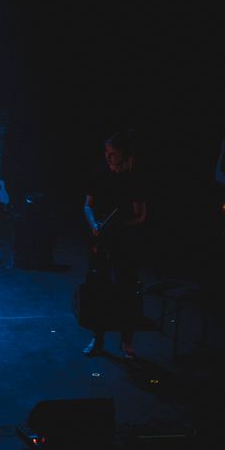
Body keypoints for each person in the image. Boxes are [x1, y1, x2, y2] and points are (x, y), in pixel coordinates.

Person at [82, 130, 147, 359]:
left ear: (124, 154)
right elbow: (87, 206)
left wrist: (118, 225)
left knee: (126, 290)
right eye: (106, 153)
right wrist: (94, 224)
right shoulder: (99, 175)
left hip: (125, 243)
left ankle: (127, 342)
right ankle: (97, 338)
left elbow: (140, 215)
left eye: (112, 153)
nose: (108, 157)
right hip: (102, 241)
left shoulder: (134, 179)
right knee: (98, 290)